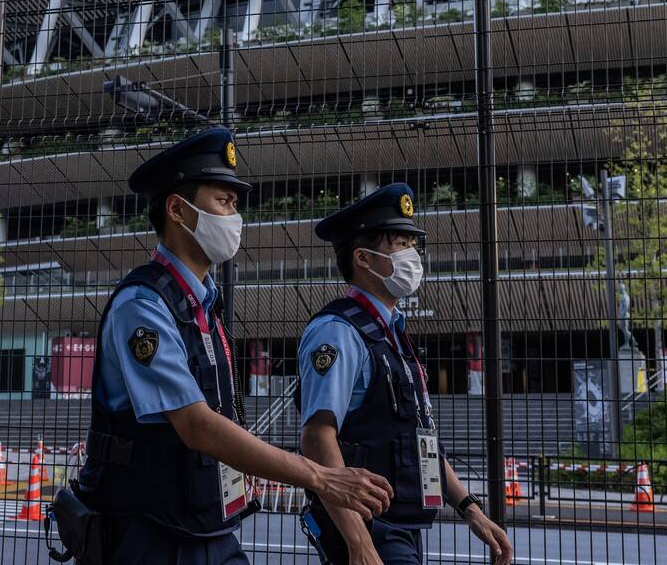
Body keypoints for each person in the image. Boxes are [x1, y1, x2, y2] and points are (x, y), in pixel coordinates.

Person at [74, 127, 393, 564]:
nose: (234, 215)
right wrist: (320, 477)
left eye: (235, 203)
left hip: (206, 526)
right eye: (223, 201)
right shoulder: (143, 305)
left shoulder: (203, 304)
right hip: (149, 533)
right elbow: (197, 425)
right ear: (178, 210)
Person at [297, 183, 513, 565]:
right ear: (363, 259)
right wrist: (359, 545)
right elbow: (317, 437)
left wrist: (470, 509)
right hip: (368, 528)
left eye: (414, 245)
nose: (413, 255)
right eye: (399, 244)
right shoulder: (339, 332)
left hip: (400, 525)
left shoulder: (392, 334)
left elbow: (418, 437)